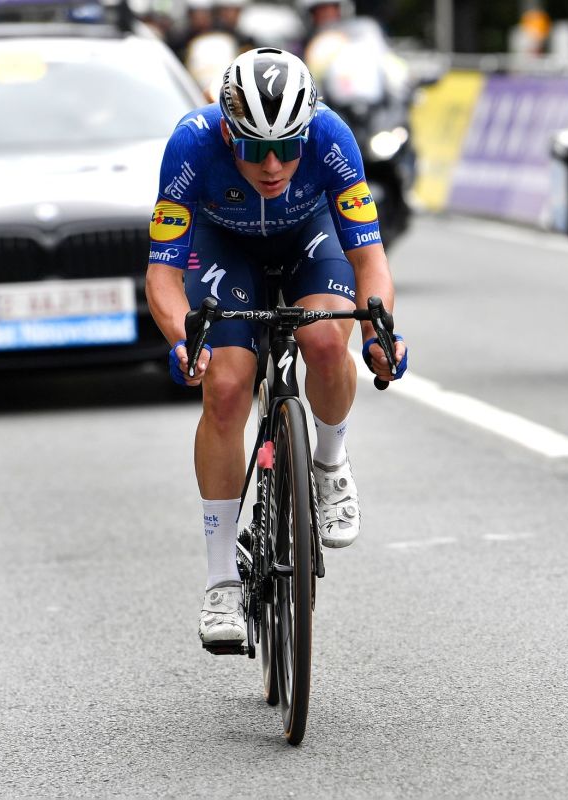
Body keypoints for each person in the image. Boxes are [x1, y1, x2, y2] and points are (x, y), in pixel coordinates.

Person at [145, 47, 408, 646]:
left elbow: (370, 260)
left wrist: (379, 333)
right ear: (227, 132)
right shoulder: (192, 143)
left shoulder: (332, 137)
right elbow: (162, 275)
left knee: (325, 338)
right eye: (254, 148)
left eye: (287, 148)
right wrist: (184, 339)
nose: (271, 165)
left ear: (305, 133)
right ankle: (221, 583)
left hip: (309, 237)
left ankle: (330, 463)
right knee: (226, 387)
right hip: (223, 244)